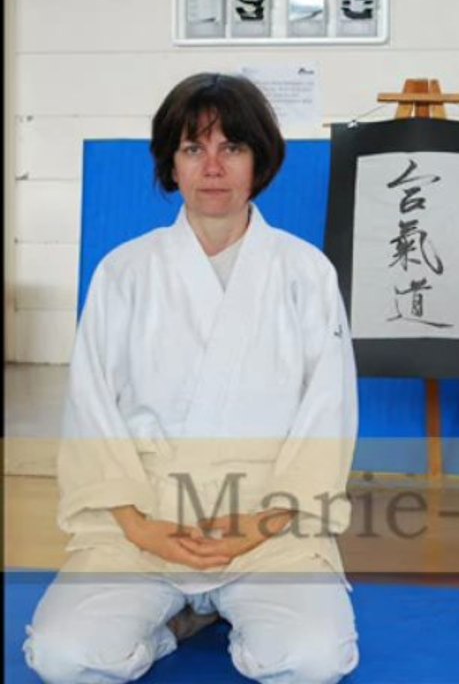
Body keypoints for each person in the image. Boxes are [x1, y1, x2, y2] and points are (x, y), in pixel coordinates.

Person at [23, 73, 360, 684]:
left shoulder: (304, 274)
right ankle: (169, 626)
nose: (212, 166)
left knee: (310, 662)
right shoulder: (124, 272)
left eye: (231, 147)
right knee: (63, 658)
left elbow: (327, 414)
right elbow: (91, 408)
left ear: (259, 161)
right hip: (143, 520)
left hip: (266, 526)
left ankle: (229, 612)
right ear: (170, 165)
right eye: (192, 148)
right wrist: (141, 527)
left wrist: (257, 526)